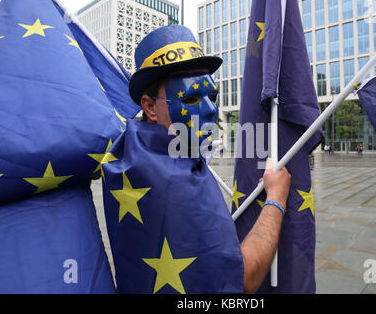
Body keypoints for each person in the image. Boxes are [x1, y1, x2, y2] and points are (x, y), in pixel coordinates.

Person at [106, 25, 291, 294]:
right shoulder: (175, 180)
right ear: (149, 107)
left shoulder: (133, 155)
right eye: (191, 98)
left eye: (212, 96)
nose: (210, 110)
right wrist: (276, 198)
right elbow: (243, 280)